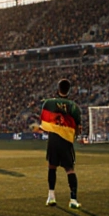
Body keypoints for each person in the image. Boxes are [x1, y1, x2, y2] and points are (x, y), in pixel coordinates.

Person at [37, 78, 82, 209]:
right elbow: (78, 128)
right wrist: (74, 136)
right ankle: (73, 199)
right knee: (69, 169)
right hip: (66, 140)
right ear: (69, 90)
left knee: (52, 167)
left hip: (53, 140)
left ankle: (51, 196)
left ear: (58, 89)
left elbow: (44, 120)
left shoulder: (49, 103)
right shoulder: (74, 106)